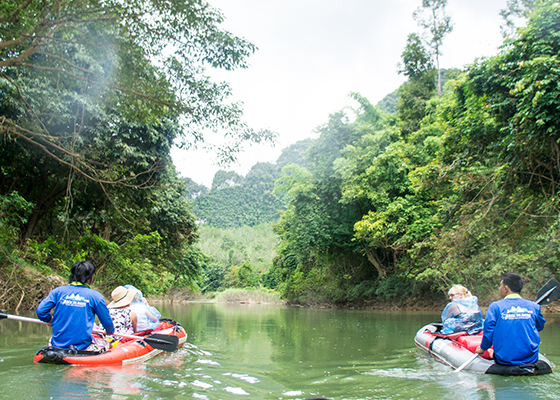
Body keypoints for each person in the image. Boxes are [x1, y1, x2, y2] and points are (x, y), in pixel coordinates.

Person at [36, 260, 114, 350]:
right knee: (108, 344)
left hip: (57, 345)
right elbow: (107, 323)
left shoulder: (57, 292)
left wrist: (50, 320)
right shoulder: (96, 296)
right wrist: (109, 331)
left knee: (52, 340)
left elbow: (41, 311)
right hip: (82, 347)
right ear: (89, 277)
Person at [475, 273, 545, 366]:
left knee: (494, 351)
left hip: (505, 360)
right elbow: (539, 327)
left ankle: (493, 353)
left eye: (500, 285)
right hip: (531, 359)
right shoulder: (534, 307)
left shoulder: (495, 306)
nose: (499, 288)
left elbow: (489, 333)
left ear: (505, 288)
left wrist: (482, 348)